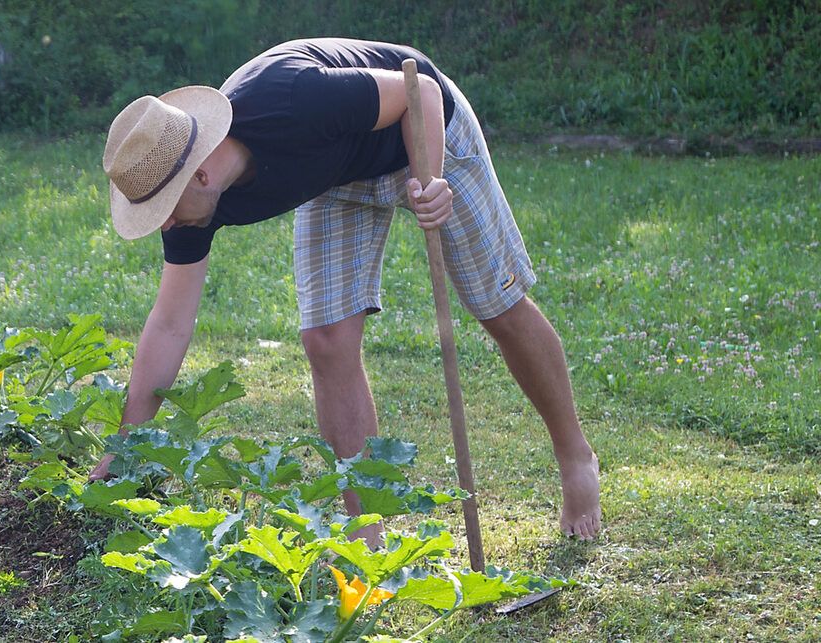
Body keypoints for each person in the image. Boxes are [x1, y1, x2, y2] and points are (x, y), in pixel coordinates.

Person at [91, 38, 602, 540]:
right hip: (336, 175)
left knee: (499, 307)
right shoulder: (190, 207)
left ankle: (575, 455)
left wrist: (430, 182)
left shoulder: (293, 100)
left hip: (423, 131)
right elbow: (170, 323)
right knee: (327, 340)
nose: (164, 225)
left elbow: (419, 91)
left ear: (201, 174)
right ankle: (366, 536)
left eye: (164, 210)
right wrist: (123, 446)